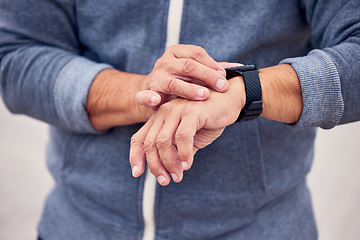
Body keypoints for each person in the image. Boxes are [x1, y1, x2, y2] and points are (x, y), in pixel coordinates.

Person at [0, 0, 359, 239]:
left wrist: (245, 91)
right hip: (79, 226)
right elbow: (15, 53)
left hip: (263, 228)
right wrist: (147, 92)